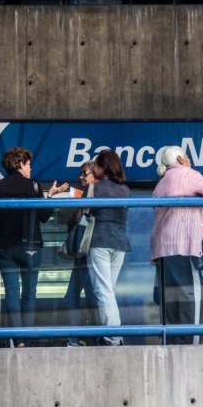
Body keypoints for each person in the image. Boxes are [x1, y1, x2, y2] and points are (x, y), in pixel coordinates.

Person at [0, 147, 69, 348]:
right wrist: (49, 196)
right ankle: (28, 338)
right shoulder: (32, 185)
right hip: (29, 246)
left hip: (3, 247)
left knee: (12, 292)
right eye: (29, 165)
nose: (31, 169)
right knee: (29, 292)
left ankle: (19, 341)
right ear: (21, 164)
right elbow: (42, 217)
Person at [150, 146, 203, 345]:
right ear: (181, 159)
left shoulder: (160, 184)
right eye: (187, 157)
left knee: (170, 299)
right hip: (184, 246)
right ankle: (191, 345)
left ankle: (173, 343)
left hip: (163, 249)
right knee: (191, 297)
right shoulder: (187, 174)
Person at [87, 149, 132, 346]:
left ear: (103, 168)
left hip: (100, 241)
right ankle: (112, 334)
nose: (92, 168)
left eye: (95, 165)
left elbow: (85, 212)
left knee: (103, 291)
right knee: (109, 290)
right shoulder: (125, 190)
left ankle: (112, 336)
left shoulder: (95, 188)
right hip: (120, 242)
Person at [62, 161, 99, 347]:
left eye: (85, 173)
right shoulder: (94, 191)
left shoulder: (91, 191)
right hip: (90, 253)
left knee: (72, 298)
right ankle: (99, 339)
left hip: (86, 252)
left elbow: (77, 219)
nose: (81, 177)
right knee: (94, 298)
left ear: (95, 174)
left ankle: (73, 340)